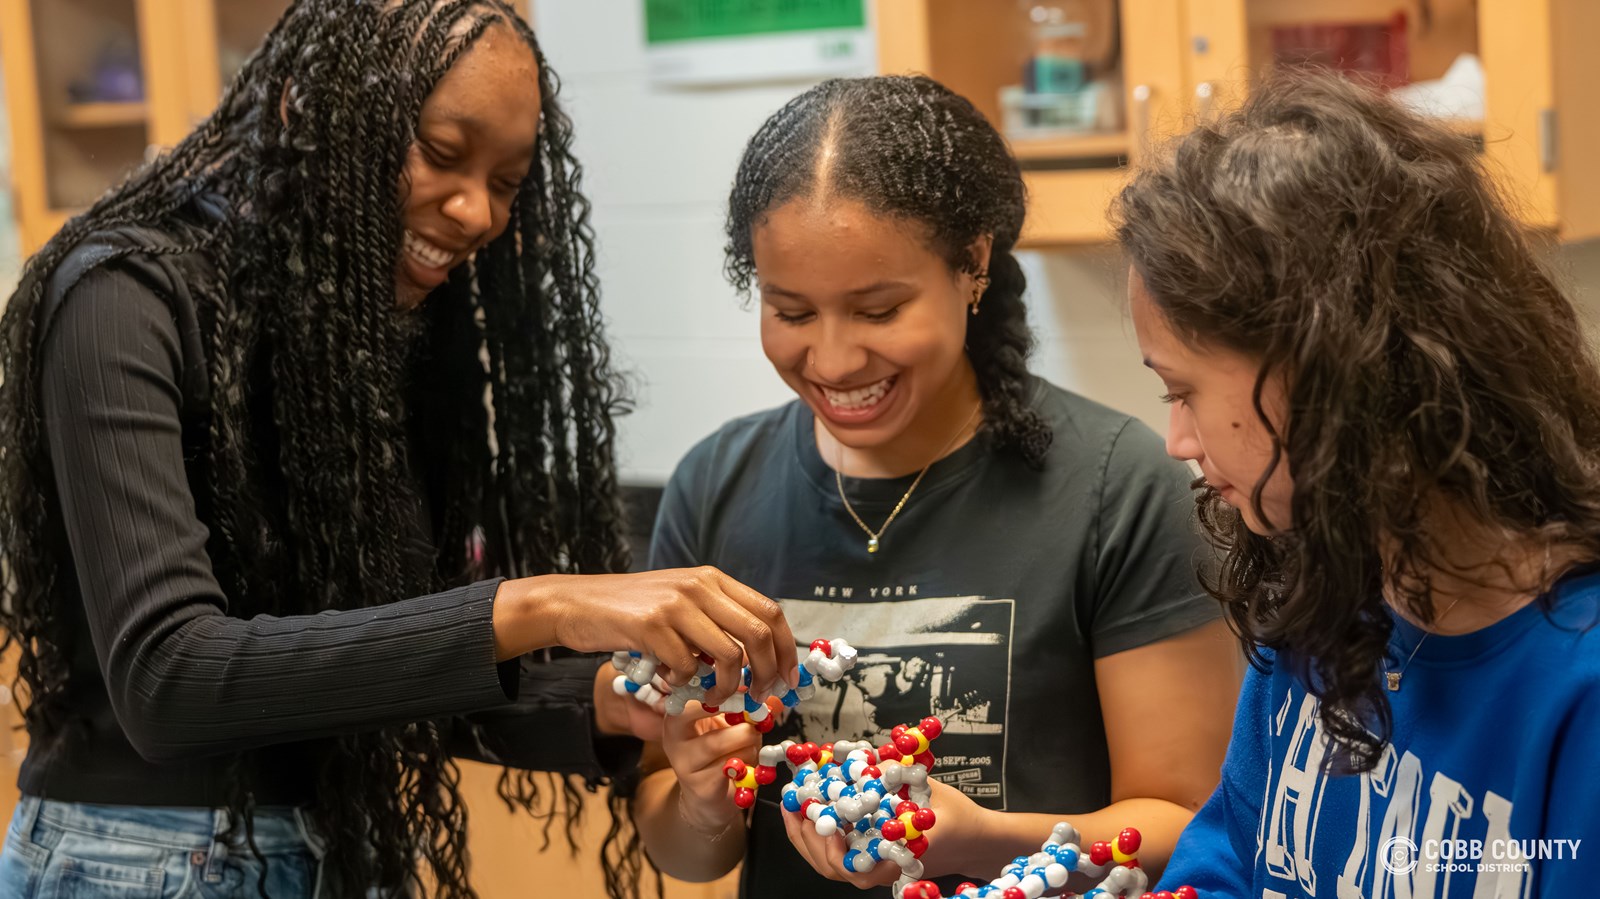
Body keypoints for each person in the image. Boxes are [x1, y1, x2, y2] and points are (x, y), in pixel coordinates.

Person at [0, 2, 799, 897]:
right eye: (444, 154)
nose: (476, 212)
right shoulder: (123, 296)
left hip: (343, 849)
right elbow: (171, 681)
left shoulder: (369, 324)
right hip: (141, 860)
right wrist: (547, 605)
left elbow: (377, 668)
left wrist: (598, 702)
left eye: (507, 181)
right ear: (311, 108)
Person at [631, 74, 1242, 897]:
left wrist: (976, 841)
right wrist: (703, 801)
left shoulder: (1117, 488)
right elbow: (683, 846)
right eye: (793, 311)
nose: (836, 359)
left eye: (879, 311)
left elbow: (1187, 824)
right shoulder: (714, 485)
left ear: (973, 265)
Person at [1114, 74, 1600, 897]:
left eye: (1183, 389)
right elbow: (1233, 856)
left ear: (1330, 370)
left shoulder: (1576, 682)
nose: (1178, 440)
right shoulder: (1319, 582)